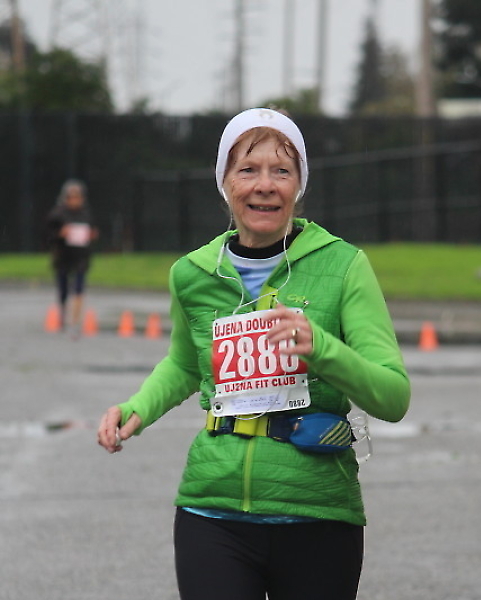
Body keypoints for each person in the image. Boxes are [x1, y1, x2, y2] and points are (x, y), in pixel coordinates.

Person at [97, 108, 411, 600]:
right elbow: (185, 363)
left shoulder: (345, 266)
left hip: (318, 512)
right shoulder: (192, 274)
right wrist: (137, 408)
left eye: (281, 170)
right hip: (211, 510)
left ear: (299, 184)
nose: (265, 185)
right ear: (224, 182)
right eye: (247, 169)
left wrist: (322, 348)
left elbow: (393, 397)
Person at [46, 179, 99, 333]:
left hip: (81, 255)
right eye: (72, 197)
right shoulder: (57, 215)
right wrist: (60, 234)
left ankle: (75, 319)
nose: (75, 200)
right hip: (63, 255)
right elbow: (47, 236)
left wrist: (92, 235)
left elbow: (92, 231)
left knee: (79, 285)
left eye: (78, 197)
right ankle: (63, 312)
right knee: (63, 286)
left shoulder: (86, 214)